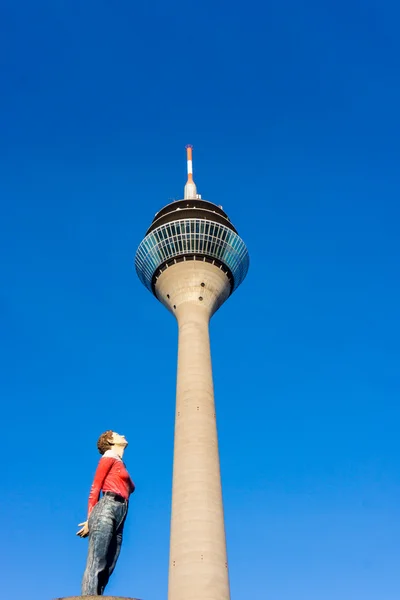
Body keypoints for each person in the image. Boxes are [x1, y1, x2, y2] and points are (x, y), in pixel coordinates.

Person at [77, 430, 135, 596]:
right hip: (107, 508)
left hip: (121, 512)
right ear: (110, 441)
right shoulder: (108, 457)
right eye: (117, 434)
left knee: (109, 563)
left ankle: (98, 596)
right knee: (97, 560)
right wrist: (90, 519)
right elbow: (95, 488)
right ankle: (88, 597)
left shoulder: (119, 462)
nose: (122, 434)